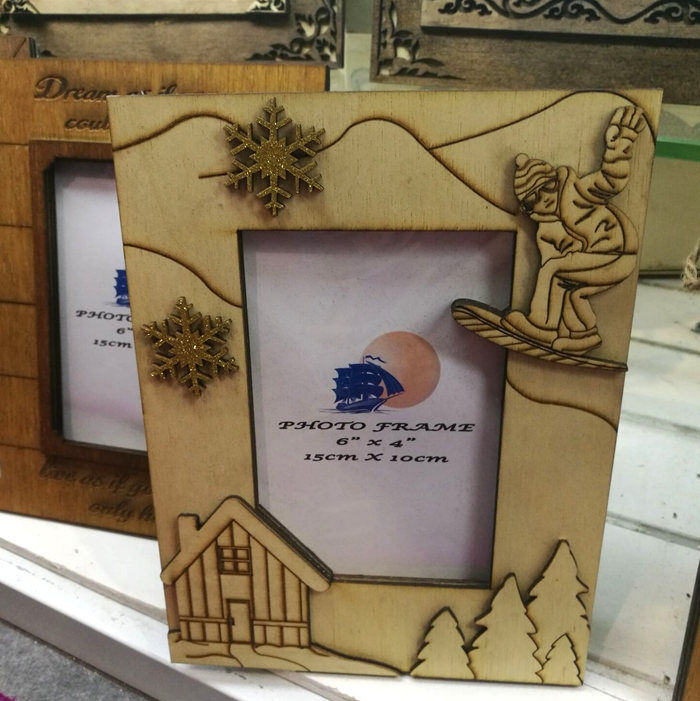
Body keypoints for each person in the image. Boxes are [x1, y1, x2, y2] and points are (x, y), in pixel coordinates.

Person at [502, 105, 647, 354]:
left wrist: (619, 145)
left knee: (553, 271)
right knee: (570, 290)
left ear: (554, 180)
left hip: (615, 251)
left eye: (546, 187)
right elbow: (551, 261)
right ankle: (584, 335)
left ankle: (542, 326)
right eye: (532, 200)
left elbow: (610, 180)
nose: (543, 199)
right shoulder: (546, 231)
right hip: (597, 259)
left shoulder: (578, 191)